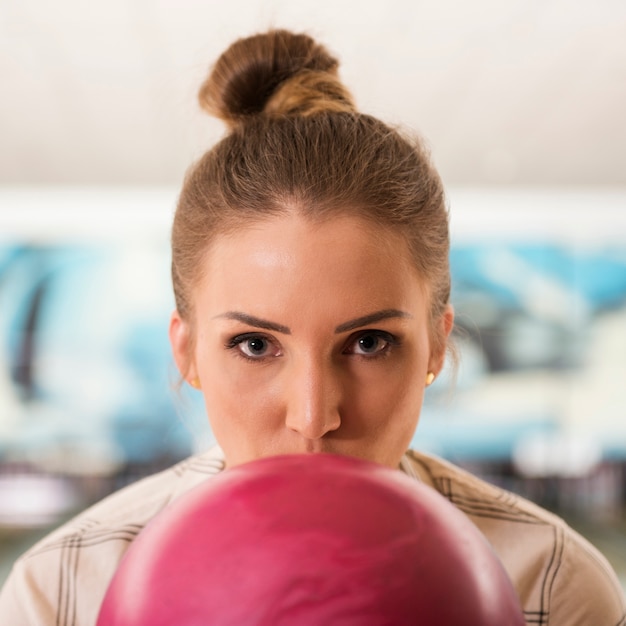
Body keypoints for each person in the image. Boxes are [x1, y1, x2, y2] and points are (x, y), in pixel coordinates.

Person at [0, 29, 624, 626]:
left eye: (369, 343)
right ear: (186, 352)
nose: (314, 414)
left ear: (436, 344)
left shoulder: (555, 585)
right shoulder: (58, 588)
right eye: (254, 345)